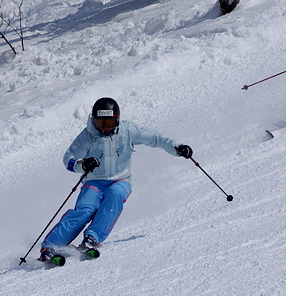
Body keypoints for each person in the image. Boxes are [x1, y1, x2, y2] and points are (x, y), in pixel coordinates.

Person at [39, 97, 193, 264]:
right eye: (100, 123)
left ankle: (92, 238)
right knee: (85, 210)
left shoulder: (128, 130)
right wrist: (82, 165)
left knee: (115, 195)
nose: (105, 128)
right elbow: (68, 159)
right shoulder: (87, 136)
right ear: (93, 120)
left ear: (117, 120)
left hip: (121, 180)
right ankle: (51, 246)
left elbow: (156, 138)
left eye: (109, 123)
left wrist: (177, 147)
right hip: (94, 182)